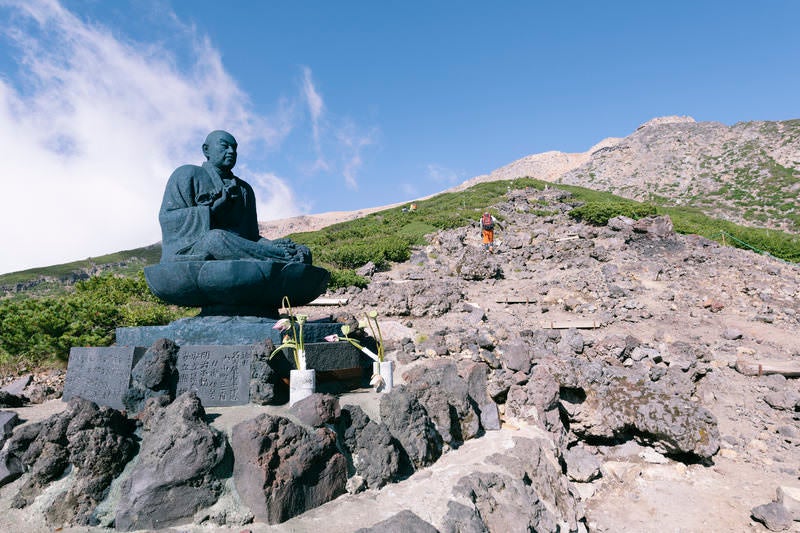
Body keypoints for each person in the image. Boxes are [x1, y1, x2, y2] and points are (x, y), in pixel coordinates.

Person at [158, 130, 311, 264]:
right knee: (215, 238)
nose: (231, 151)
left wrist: (273, 245)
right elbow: (168, 218)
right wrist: (210, 211)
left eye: (234, 148)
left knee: (302, 250)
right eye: (224, 146)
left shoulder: (244, 189)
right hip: (195, 248)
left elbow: (251, 238)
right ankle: (283, 258)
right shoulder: (187, 174)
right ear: (206, 150)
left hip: (239, 249)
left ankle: (281, 254)